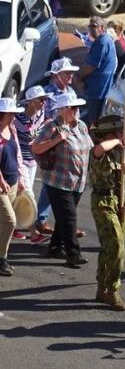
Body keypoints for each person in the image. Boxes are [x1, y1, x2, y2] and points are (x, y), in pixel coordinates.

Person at [31, 94, 93, 268]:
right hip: (58, 181)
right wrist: (57, 139)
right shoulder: (52, 127)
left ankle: (55, 247)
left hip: (78, 182)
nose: (76, 110)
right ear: (62, 109)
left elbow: (89, 147)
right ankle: (74, 254)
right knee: (70, 217)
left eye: (76, 108)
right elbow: (35, 147)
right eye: (72, 108)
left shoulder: (81, 126)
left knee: (63, 217)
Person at [88, 115, 125, 311]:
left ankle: (102, 287)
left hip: (118, 201)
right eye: (118, 132)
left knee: (109, 247)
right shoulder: (99, 151)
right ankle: (113, 290)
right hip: (102, 202)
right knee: (117, 246)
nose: (123, 135)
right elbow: (99, 149)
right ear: (108, 135)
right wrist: (118, 141)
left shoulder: (118, 154)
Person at [38, 57, 81, 237]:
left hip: (67, 142)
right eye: (67, 73)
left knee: (61, 184)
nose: (71, 76)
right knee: (52, 182)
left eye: (71, 73)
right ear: (56, 75)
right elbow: (44, 120)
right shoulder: (47, 94)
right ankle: (42, 219)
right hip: (53, 143)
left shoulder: (70, 91)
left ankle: (61, 223)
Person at [13, 86, 51, 244]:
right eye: (41, 100)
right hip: (19, 162)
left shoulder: (41, 113)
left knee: (19, 196)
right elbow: (28, 139)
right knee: (28, 195)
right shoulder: (18, 118)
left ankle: (13, 228)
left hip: (33, 161)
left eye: (45, 100)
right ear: (30, 102)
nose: (44, 103)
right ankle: (34, 234)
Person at [0, 98, 27, 276]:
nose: (14, 117)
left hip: (13, 181)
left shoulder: (12, 129)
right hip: (1, 185)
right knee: (10, 221)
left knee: (2, 223)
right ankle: (1, 258)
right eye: (11, 114)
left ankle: (3, 257)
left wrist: (21, 177)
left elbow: (17, 156)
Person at [76, 16, 117, 125]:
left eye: (94, 26)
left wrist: (78, 77)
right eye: (90, 26)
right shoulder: (104, 40)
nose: (91, 28)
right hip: (99, 87)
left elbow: (91, 66)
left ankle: (91, 139)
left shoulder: (102, 42)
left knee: (92, 119)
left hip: (97, 89)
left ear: (102, 28)